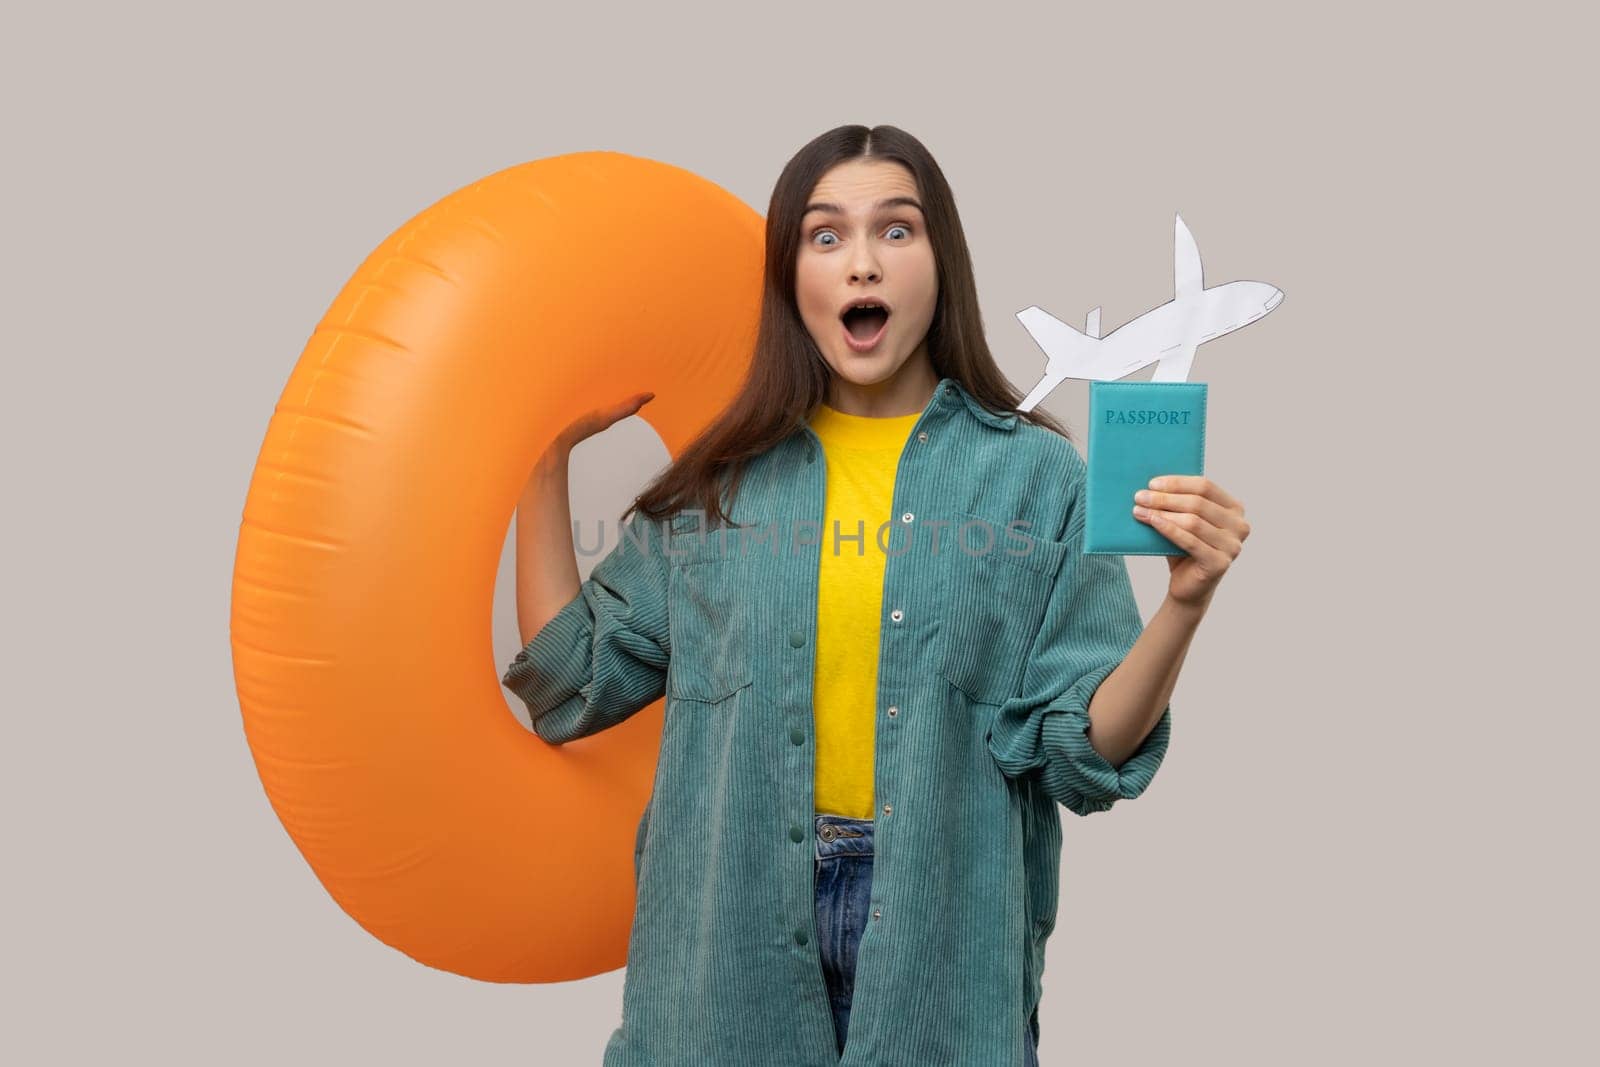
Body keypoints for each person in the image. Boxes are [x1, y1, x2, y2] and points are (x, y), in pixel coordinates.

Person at [504, 124, 1250, 1066]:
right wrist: (542, 471)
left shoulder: (1038, 479)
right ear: (792, 279)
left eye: (896, 232)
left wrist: (1185, 601)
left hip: (949, 945)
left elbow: (1084, 755)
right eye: (826, 237)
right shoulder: (721, 486)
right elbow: (573, 681)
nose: (863, 264)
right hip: (724, 947)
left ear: (942, 263)